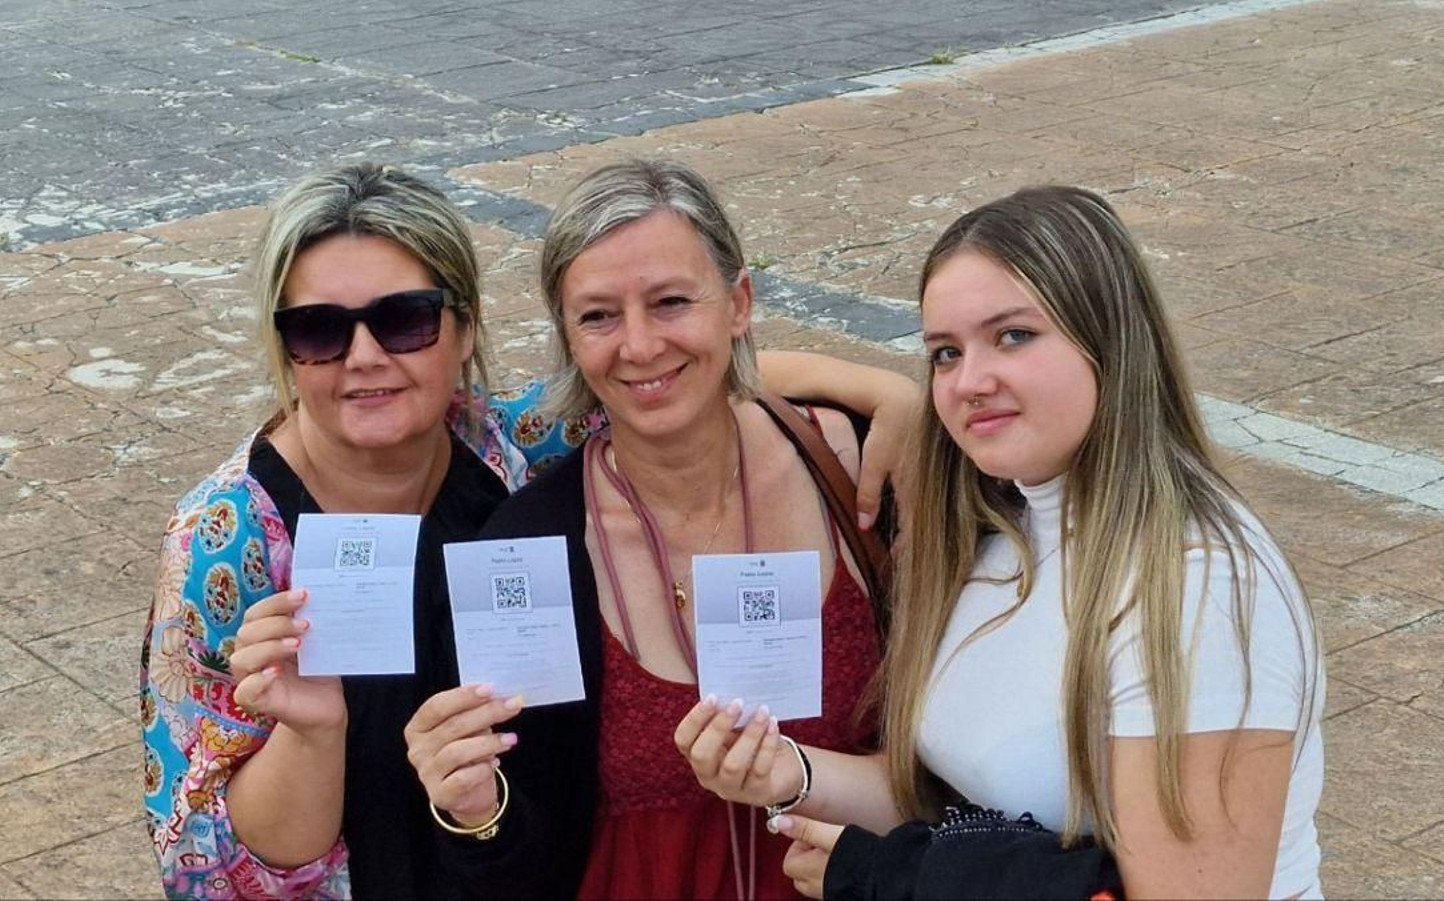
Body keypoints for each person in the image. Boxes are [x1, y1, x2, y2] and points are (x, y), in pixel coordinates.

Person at [138, 162, 916, 899]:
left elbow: (663, 377)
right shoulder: (228, 541)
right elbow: (217, 863)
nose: (364, 357)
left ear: (464, 328)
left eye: (405, 320)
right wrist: (312, 735)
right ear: (285, 348)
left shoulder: (509, 446)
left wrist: (890, 394)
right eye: (319, 330)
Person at [677, 185, 1326, 899]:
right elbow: (974, 811)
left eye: (1013, 336)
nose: (970, 382)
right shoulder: (999, 526)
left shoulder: (1198, 585)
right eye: (945, 353)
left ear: (1107, 336)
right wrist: (792, 771)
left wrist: (887, 877)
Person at [400, 158, 891, 900]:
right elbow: (518, 852)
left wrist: (903, 396)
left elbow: (962, 763)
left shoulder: (862, 474)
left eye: (670, 302)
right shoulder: (528, 547)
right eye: (598, 315)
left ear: (739, 303)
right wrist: (474, 810)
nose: (639, 345)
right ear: (568, 337)